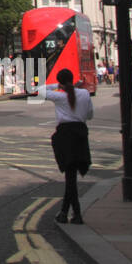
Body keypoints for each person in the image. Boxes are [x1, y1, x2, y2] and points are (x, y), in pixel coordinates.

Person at [46, 68, 93, 224]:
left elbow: (38, 90)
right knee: (71, 177)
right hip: (80, 134)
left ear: (60, 82)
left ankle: (77, 214)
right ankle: (64, 213)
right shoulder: (85, 94)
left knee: (70, 176)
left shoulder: (59, 95)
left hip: (65, 135)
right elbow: (90, 115)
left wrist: (57, 86)